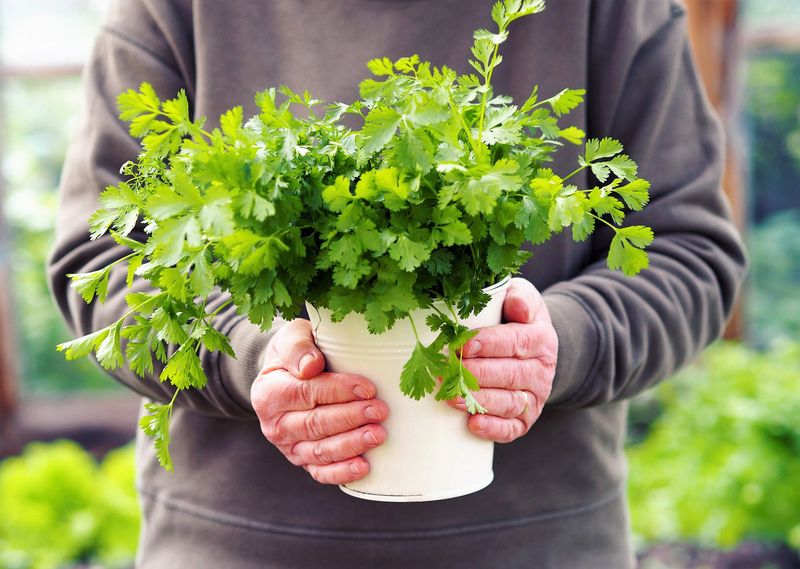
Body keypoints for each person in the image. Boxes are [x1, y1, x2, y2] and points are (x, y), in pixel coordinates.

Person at [48, 0, 747, 567]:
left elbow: (691, 253)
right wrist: (250, 354)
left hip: (539, 544)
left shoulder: (614, 10)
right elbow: (101, 261)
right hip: (235, 545)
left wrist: (565, 341)